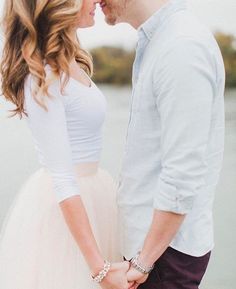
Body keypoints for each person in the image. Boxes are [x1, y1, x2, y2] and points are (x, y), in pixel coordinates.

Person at [0, 1, 132, 289]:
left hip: (96, 196)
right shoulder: (42, 75)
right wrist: (100, 269)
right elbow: (62, 177)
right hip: (67, 208)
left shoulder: (72, 61)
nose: (97, 0)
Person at [101, 0, 225, 288]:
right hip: (153, 251)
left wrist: (145, 261)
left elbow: (182, 173)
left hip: (163, 257)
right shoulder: (160, 41)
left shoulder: (182, 45)